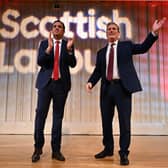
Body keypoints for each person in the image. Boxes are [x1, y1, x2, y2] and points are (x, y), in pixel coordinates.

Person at [86, 17, 166, 165]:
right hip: (106, 89)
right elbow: (98, 71)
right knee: (106, 122)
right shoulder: (101, 52)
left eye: (114, 29)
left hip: (122, 88)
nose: (111, 31)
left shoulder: (126, 46)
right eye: (108, 29)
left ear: (118, 34)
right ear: (106, 33)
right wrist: (91, 82)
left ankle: (123, 153)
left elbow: (143, 48)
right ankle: (108, 148)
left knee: (124, 122)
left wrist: (153, 33)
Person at [32, 20, 76, 163]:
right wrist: (49, 48)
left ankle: (56, 150)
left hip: (61, 86)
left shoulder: (67, 44)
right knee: (40, 116)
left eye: (60, 27)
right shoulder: (45, 44)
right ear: (52, 30)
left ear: (63, 31)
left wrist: (69, 50)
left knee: (58, 118)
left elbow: (73, 64)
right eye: (55, 27)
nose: (57, 28)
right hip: (46, 84)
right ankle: (38, 148)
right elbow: (40, 61)